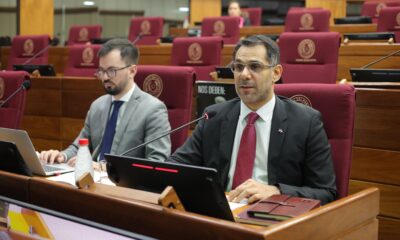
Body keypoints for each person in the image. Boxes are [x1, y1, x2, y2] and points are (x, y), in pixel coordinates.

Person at [168, 35, 336, 205]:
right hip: (220, 213)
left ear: (276, 73)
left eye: (254, 67)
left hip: (272, 216)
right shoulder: (213, 117)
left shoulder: (306, 122)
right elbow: (174, 168)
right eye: (238, 67)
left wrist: (277, 191)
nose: (244, 75)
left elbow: (326, 192)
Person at [40, 39, 171, 165]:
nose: (105, 77)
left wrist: (105, 168)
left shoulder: (153, 109)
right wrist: (62, 156)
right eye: (101, 71)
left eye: (111, 71)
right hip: (91, 182)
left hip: (125, 185)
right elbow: (80, 145)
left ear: (132, 71)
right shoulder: (98, 105)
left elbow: (157, 162)